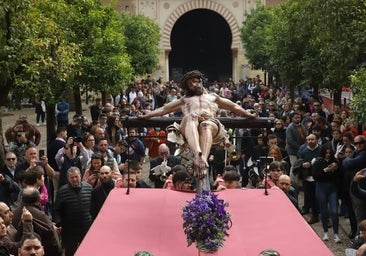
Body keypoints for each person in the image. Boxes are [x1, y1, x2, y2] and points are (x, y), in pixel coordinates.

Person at [140, 70, 256, 191]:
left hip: (211, 125)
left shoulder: (213, 97)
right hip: (189, 126)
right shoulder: (185, 100)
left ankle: (203, 159)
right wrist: (146, 116)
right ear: (187, 88)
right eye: (190, 84)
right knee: (191, 116)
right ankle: (197, 154)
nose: (194, 85)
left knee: (205, 124)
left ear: (201, 82)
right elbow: (164, 109)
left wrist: (247, 113)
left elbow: (233, 106)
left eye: (195, 81)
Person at [53, 167, 92, 256]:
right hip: (69, 230)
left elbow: (94, 208)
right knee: (70, 252)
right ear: (68, 178)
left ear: (80, 176)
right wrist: (59, 223)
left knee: (87, 252)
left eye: (76, 177)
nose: (74, 179)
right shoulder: (62, 191)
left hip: (86, 228)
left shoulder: (89, 188)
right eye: (72, 177)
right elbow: (56, 210)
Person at [12, 187, 62, 256]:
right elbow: (54, 242)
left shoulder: (13, 214)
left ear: (21, 199)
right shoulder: (40, 215)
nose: (32, 251)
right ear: (39, 199)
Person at [312, 146, 341, 243]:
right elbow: (315, 176)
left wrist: (335, 169)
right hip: (321, 188)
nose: (328, 155)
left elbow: (339, 176)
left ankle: (336, 234)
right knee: (323, 211)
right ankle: (325, 233)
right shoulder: (318, 162)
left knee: (334, 211)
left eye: (329, 153)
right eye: (326, 153)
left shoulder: (335, 162)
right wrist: (326, 170)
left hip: (332, 188)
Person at [343, 135, 366, 239]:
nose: (358, 145)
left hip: (361, 189)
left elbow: (349, 162)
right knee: (356, 215)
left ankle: (359, 239)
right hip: (354, 188)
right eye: (356, 143)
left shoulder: (364, 154)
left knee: (360, 217)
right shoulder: (356, 152)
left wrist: (348, 160)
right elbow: (345, 162)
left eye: (360, 142)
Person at [296, 133, 321, 224]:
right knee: (311, 198)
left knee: (321, 198)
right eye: (308, 140)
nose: (310, 141)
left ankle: (325, 217)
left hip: (319, 178)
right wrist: (303, 164)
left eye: (312, 139)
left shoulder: (321, 149)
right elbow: (298, 162)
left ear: (317, 140)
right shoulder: (303, 151)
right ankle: (314, 216)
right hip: (307, 178)